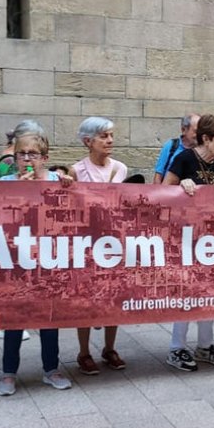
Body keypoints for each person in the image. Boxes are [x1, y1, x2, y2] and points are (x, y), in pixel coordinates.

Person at [0, 131, 73, 395]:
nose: (27, 159)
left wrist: (69, 184)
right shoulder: (6, 181)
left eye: (33, 154)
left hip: (49, 257)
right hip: (17, 258)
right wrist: (19, 188)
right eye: (22, 154)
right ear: (14, 157)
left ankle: (51, 369)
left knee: (49, 316)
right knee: (14, 317)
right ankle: (8, 372)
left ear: (45, 158)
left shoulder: (56, 180)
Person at [162, 114, 214, 371]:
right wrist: (182, 184)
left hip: (208, 237)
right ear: (206, 138)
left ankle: (205, 345)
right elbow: (163, 191)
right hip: (184, 237)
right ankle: (176, 348)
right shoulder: (184, 158)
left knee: (209, 291)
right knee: (186, 292)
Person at [70, 117, 129, 375]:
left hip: (113, 239)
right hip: (87, 240)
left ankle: (109, 347)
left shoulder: (120, 168)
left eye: (111, 135)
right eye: (104, 136)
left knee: (113, 295)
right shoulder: (77, 171)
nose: (110, 141)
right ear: (88, 141)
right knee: (85, 299)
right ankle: (84, 352)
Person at [153, 113, 199, 184]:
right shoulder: (171, 146)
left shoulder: (202, 149)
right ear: (184, 130)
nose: (200, 134)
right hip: (170, 192)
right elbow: (158, 176)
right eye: (196, 131)